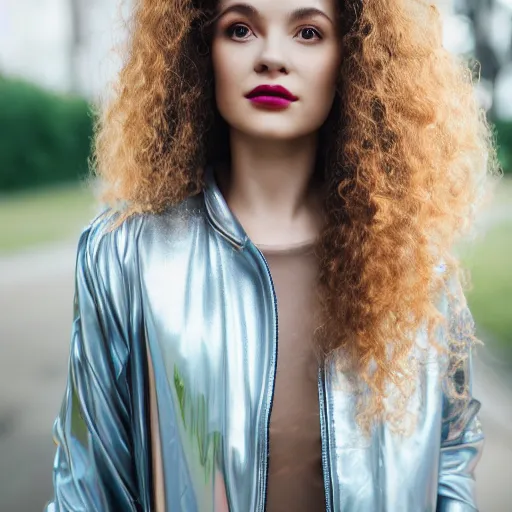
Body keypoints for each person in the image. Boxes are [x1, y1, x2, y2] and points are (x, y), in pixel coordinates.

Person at [46, 0, 499, 510]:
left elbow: (452, 449)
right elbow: (85, 489)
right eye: (240, 29)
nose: (272, 57)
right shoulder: (124, 257)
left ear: (350, 55)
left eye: (308, 32)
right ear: (199, 50)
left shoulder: (414, 263)